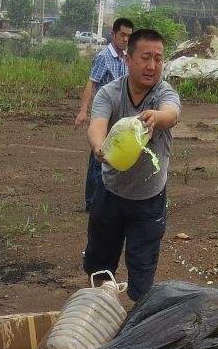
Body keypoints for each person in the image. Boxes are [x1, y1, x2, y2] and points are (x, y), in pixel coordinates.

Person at [83, 27, 181, 302]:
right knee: (100, 264)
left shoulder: (164, 94)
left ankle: (136, 324)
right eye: (145, 57)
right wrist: (99, 148)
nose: (152, 66)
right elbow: (97, 125)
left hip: (148, 198)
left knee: (142, 271)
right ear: (128, 59)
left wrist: (155, 117)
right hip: (110, 192)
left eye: (159, 59)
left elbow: (172, 114)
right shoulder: (110, 93)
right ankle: (99, 309)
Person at [76, 16, 134, 211]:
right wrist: (84, 111)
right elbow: (91, 83)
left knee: (115, 156)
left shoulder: (127, 59)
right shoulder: (104, 57)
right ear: (114, 35)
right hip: (103, 116)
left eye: (129, 36)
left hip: (120, 117)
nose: (125, 39)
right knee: (98, 157)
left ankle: (110, 200)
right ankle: (92, 203)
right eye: (122, 35)